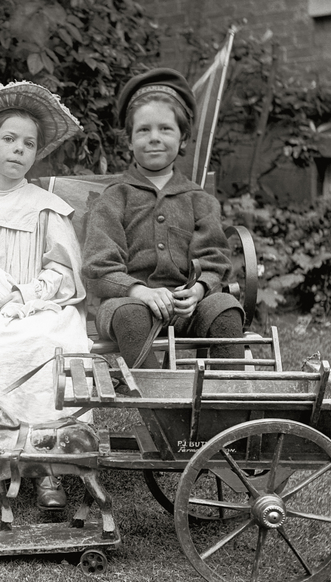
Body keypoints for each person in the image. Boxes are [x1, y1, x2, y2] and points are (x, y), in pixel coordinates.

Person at [0, 81, 88, 514]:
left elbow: (62, 269)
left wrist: (27, 294)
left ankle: (48, 464)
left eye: (28, 143)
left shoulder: (47, 206)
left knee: (54, 344)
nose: (18, 150)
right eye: (8, 139)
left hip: (39, 303)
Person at [81, 68, 244, 370]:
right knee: (130, 315)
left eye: (165, 129)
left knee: (224, 307)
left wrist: (199, 290)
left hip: (187, 307)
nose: (154, 138)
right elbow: (98, 267)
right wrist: (137, 290)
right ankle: (162, 408)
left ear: (183, 139)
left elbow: (215, 260)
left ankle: (227, 405)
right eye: (143, 130)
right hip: (127, 304)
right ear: (129, 140)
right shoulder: (114, 198)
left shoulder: (200, 199)